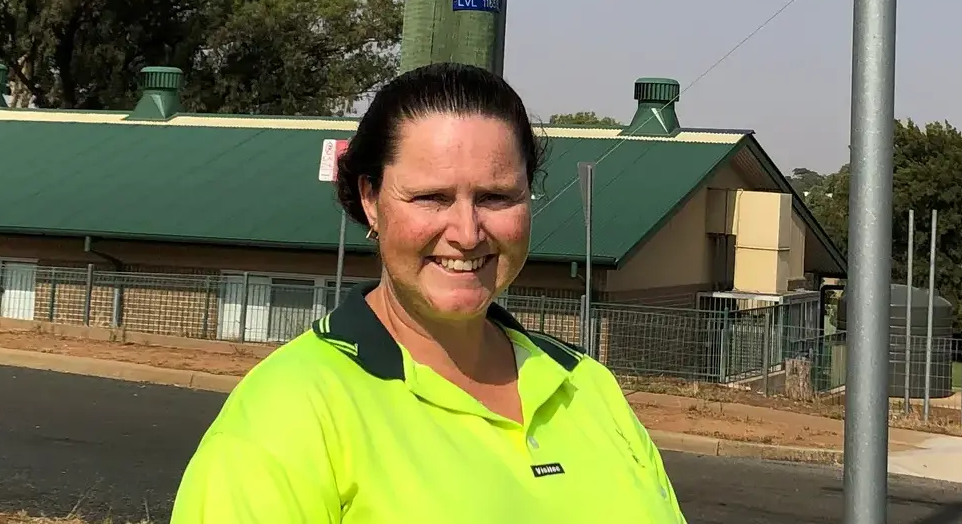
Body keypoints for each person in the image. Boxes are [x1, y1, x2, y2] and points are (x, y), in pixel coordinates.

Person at [172, 63, 685, 523]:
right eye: (431, 197)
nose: (466, 231)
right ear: (371, 201)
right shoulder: (289, 412)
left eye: (496, 196)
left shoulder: (588, 387)